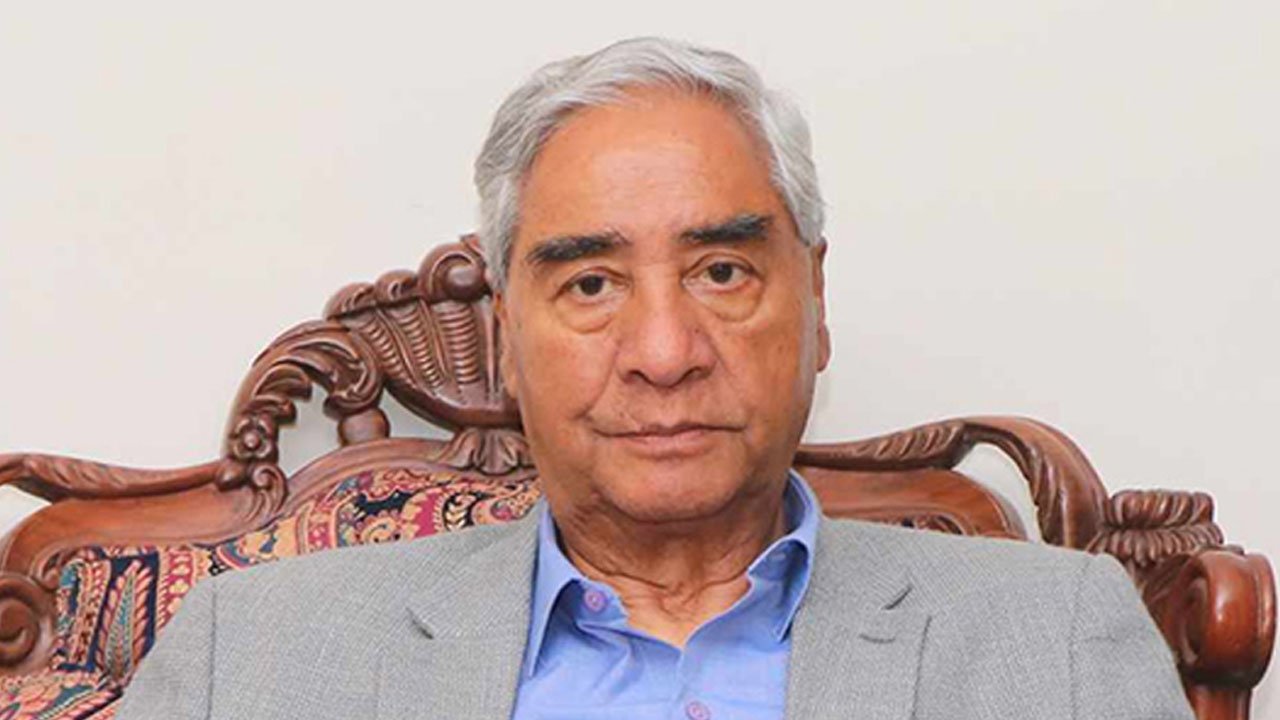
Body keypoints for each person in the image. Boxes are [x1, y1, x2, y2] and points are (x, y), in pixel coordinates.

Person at [117, 37, 1193, 719]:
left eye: (721, 272)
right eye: (589, 285)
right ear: (507, 338)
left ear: (815, 303)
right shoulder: (247, 660)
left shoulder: (1054, 643)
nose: (665, 352)